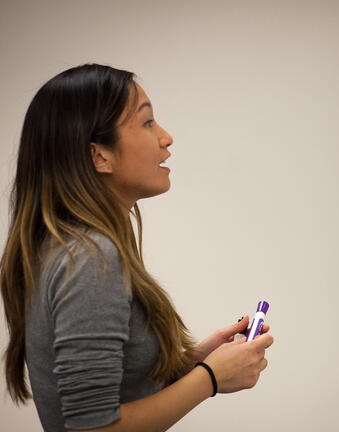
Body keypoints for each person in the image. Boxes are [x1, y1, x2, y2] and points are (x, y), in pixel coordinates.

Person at [0, 63, 274, 431]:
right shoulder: (90, 259)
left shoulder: (69, 248)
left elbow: (115, 388)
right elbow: (93, 428)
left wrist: (192, 363)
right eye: (147, 123)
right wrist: (210, 378)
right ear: (100, 156)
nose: (166, 137)